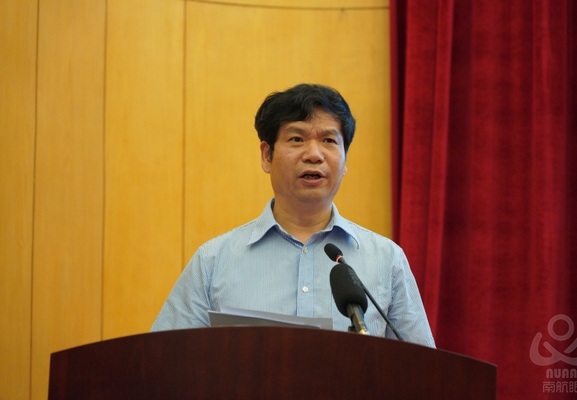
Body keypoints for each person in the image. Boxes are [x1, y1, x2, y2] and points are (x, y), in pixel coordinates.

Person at [151, 83, 435, 347]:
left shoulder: (387, 261)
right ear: (267, 155)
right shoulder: (213, 262)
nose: (314, 154)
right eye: (297, 139)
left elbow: (422, 371)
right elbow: (164, 361)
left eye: (329, 140)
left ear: (345, 159)